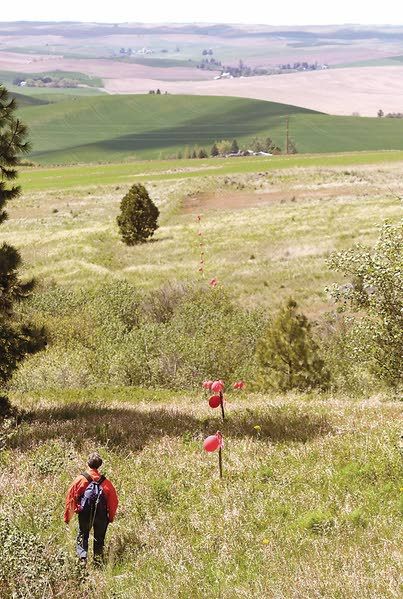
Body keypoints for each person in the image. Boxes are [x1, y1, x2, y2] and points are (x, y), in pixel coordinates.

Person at [64, 452, 118, 564]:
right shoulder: (106, 483)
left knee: (83, 534)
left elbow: (71, 498)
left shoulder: (80, 480)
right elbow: (114, 501)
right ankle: (97, 562)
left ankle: (82, 559)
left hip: (85, 513)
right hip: (101, 515)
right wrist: (110, 517)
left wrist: (67, 517)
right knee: (99, 537)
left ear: (87, 463)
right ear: (99, 465)